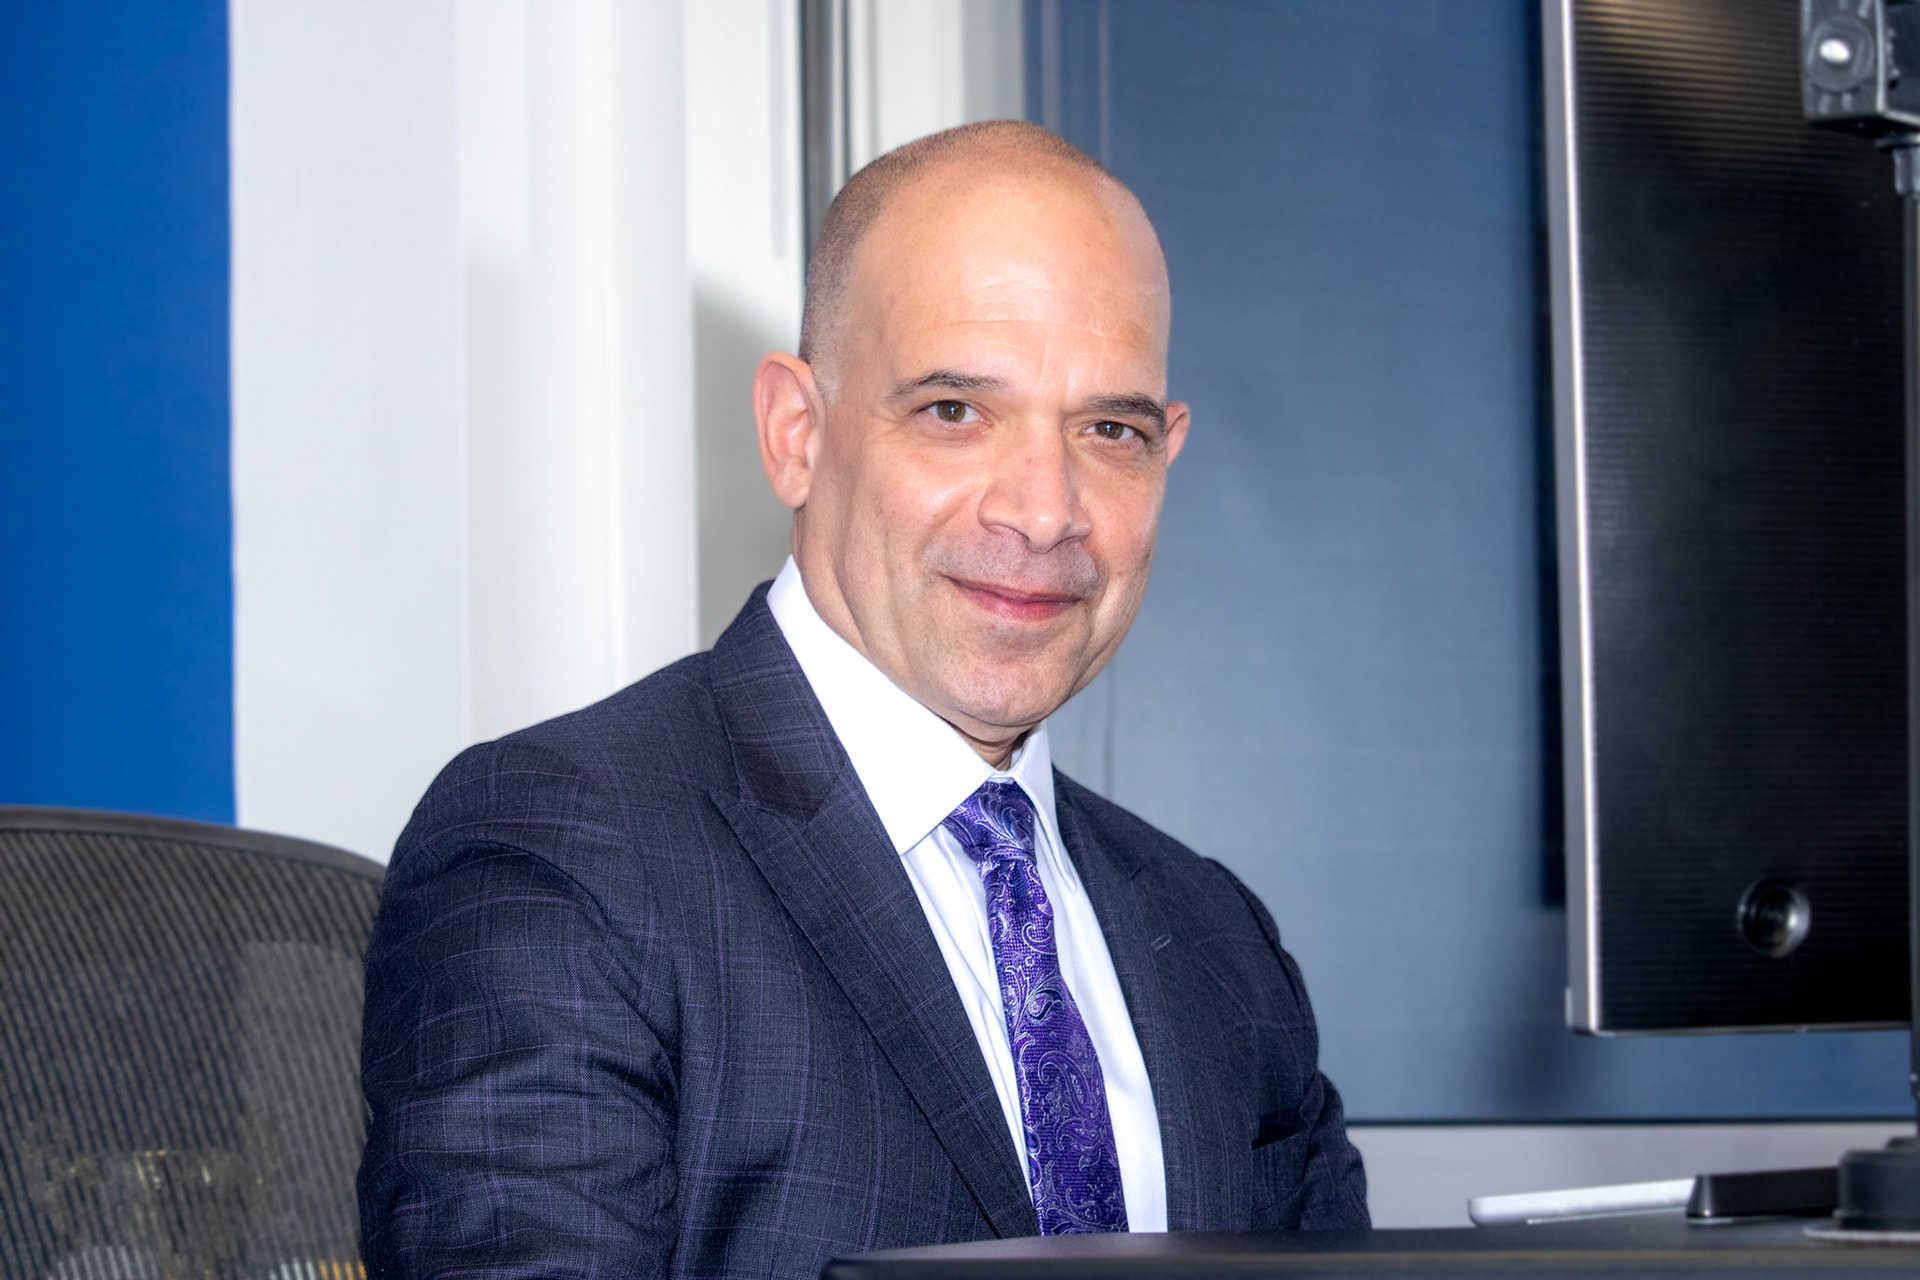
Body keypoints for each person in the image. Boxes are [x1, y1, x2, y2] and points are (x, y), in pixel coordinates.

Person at [358, 120, 1367, 1280]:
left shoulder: (1220, 940)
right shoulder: (560, 854)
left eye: (1110, 430)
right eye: (954, 411)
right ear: (796, 433)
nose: (1045, 510)